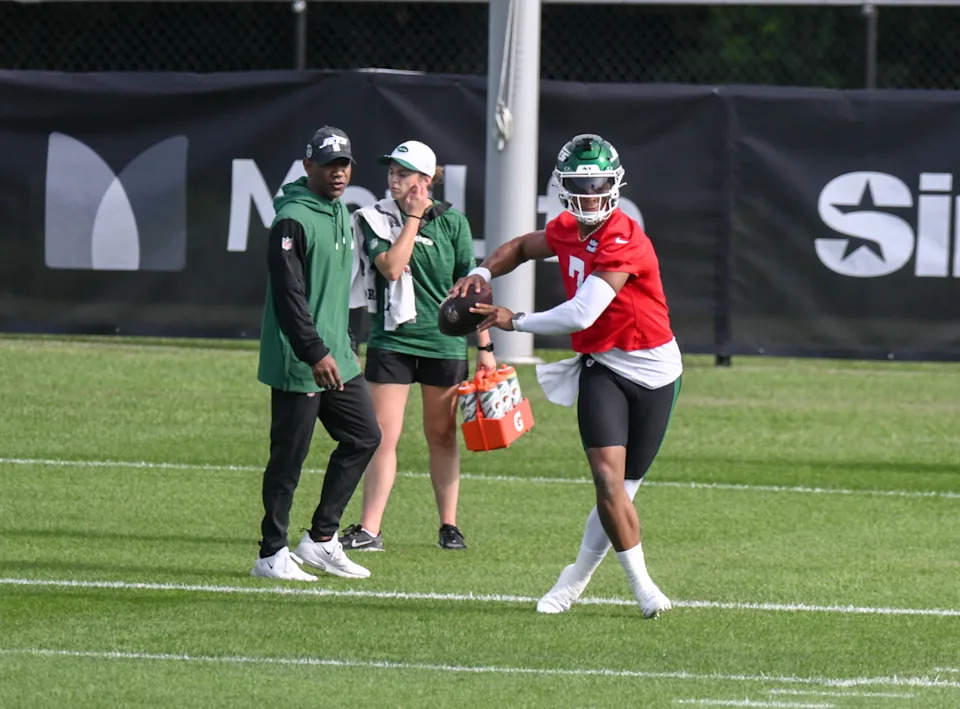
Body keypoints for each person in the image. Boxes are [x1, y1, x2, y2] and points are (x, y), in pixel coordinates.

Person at [452, 133, 682, 618]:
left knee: (623, 490)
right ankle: (643, 590)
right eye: (580, 186)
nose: (590, 196)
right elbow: (519, 247)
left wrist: (516, 321)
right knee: (606, 479)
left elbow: (582, 312)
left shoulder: (625, 237)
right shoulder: (565, 226)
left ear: (615, 185)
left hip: (656, 370)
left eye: (598, 185)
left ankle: (574, 577)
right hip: (603, 367)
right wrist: (483, 272)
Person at [340, 140, 496, 552]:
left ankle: (449, 526)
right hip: (392, 340)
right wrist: (411, 218)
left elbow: (471, 289)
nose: (395, 179)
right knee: (380, 436)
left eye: (404, 173)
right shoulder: (374, 217)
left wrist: (485, 348)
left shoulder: (453, 222)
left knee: (442, 435)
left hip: (444, 346)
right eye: (392, 171)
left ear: (426, 180)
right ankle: (370, 529)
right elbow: (391, 268)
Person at [252, 126, 382, 581]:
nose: (339, 172)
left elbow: (334, 292)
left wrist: (340, 346)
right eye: (330, 164)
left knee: (365, 435)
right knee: (289, 457)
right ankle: (271, 553)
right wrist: (313, 351)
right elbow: (289, 295)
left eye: (345, 164)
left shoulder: (338, 213)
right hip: (300, 358)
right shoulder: (293, 219)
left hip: (337, 356)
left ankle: (322, 539)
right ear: (308, 166)